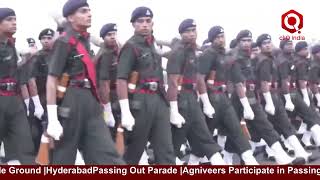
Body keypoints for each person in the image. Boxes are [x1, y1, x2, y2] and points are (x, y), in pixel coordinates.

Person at [46, 0, 124, 164]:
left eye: (89, 10)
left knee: (107, 154)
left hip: (91, 102)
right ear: (70, 18)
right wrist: (52, 118)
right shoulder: (63, 42)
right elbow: (52, 79)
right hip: (71, 100)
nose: (89, 14)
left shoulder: (84, 40)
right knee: (63, 158)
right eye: (83, 11)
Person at [116, 6, 175, 164]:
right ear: (133, 24)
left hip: (159, 101)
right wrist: (125, 111)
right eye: (140, 21)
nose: (144, 24)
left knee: (166, 150)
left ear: (152, 23)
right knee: (133, 150)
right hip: (140, 103)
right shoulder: (131, 46)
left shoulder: (153, 45)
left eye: (148, 21)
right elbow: (121, 79)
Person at [197, 26, 258, 165]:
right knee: (205, 135)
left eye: (222, 36)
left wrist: (246, 106)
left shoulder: (227, 56)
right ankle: (193, 163)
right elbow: (200, 79)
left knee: (236, 130)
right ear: (212, 39)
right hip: (211, 98)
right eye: (217, 37)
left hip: (224, 98)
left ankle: (251, 163)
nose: (221, 39)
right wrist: (205, 103)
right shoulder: (207, 54)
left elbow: (238, 82)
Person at [0, 7, 35, 164]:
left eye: (15, 19)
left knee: (24, 145)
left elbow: (13, 70)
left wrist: (28, 58)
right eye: (9, 20)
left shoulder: (10, 45)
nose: (14, 23)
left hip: (14, 101)